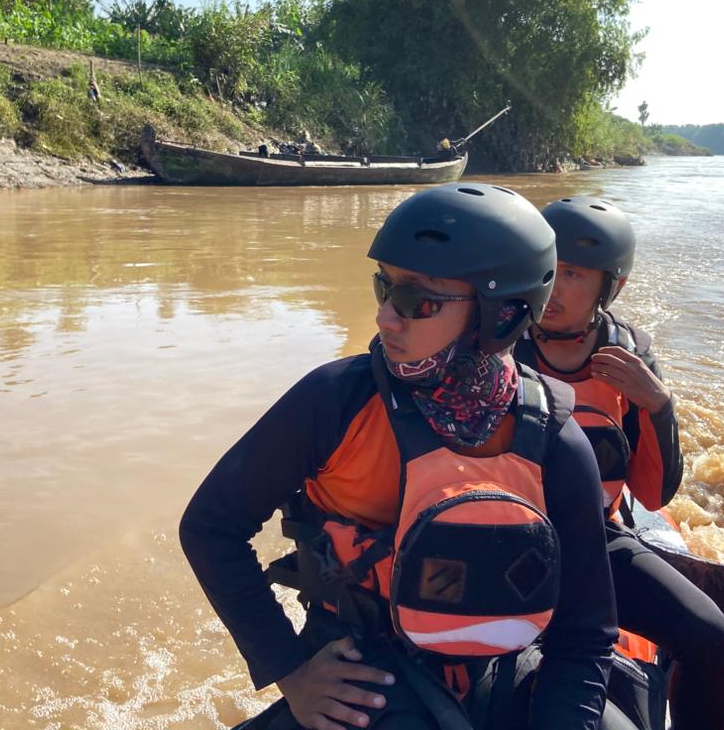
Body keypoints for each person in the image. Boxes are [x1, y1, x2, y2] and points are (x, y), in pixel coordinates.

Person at [180, 183, 617, 730]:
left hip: (500, 669)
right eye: (384, 288)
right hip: (360, 666)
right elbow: (211, 526)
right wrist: (292, 670)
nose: (386, 318)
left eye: (418, 301)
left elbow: (584, 634)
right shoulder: (335, 402)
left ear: (502, 315)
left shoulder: (554, 438)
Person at [512, 196, 724, 730]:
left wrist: (658, 406)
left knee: (713, 638)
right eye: (549, 267)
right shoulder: (499, 341)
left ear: (612, 286)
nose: (553, 286)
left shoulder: (629, 357)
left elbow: (653, 495)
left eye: (573, 273)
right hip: (509, 536)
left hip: (594, 541)